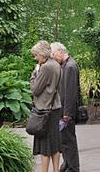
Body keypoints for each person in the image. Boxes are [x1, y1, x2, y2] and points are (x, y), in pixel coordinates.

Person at [30, 40, 62, 172]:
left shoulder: (45, 67)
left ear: (42, 54)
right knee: (55, 144)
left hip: (45, 110)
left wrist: (33, 75)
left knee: (45, 147)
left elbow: (35, 89)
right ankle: (56, 170)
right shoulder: (56, 64)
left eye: (36, 55)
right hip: (55, 108)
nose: (35, 58)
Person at [51, 42, 81, 172]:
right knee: (65, 139)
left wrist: (67, 114)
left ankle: (73, 167)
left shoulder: (70, 67)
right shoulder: (66, 65)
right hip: (64, 110)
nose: (53, 57)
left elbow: (70, 93)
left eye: (53, 54)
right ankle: (68, 164)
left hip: (67, 112)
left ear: (60, 51)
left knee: (69, 140)